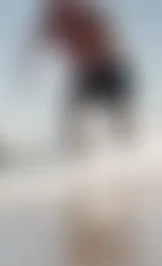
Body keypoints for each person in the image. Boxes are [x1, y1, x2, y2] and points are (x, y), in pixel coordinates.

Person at [22, 0, 137, 153]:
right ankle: (81, 157)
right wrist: (28, 72)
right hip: (86, 73)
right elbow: (34, 44)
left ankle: (131, 150)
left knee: (119, 119)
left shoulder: (83, 11)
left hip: (109, 69)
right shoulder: (50, 21)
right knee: (71, 116)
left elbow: (107, 33)